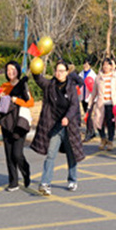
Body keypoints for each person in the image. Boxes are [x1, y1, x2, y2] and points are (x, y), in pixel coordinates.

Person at [31, 60, 85, 196]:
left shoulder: (71, 87)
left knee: (71, 154)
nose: (59, 73)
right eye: (57, 71)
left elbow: (74, 105)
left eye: (62, 71)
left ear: (67, 72)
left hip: (69, 126)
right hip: (54, 126)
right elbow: (40, 81)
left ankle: (72, 179)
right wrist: (35, 71)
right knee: (50, 154)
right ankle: (45, 183)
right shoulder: (50, 85)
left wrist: (67, 117)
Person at [0, 60, 33, 191]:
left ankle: (25, 170)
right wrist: (0, 96)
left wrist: (17, 100)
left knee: (17, 154)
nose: (10, 72)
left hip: (19, 122)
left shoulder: (23, 85)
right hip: (7, 123)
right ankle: (13, 182)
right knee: (9, 154)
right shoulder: (4, 86)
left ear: (18, 71)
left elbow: (30, 102)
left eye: (13, 69)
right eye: (8, 70)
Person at [90, 57, 116, 152]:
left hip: (112, 104)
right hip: (101, 104)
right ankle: (103, 138)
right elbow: (94, 92)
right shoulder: (98, 77)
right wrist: (90, 103)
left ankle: (110, 141)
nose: (105, 66)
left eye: (107, 65)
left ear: (111, 66)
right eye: (104, 65)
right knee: (98, 122)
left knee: (110, 123)